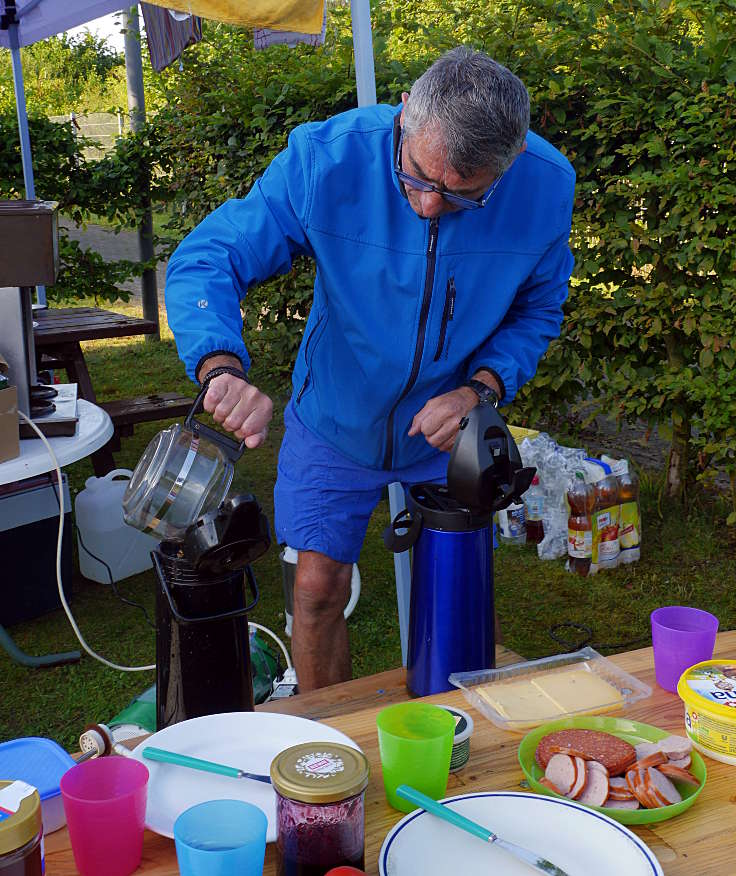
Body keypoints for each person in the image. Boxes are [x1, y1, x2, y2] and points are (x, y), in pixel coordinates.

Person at [165, 46, 575, 691]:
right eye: (418, 177)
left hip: (451, 426)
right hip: (336, 414)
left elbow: (539, 309)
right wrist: (220, 366)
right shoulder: (324, 160)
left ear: (514, 158)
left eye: (464, 195)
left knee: (460, 587)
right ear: (405, 114)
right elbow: (208, 257)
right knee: (317, 589)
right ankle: (331, 754)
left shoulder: (547, 184)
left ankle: (456, 735)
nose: (429, 207)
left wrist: (482, 388)